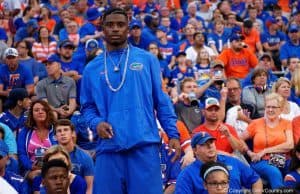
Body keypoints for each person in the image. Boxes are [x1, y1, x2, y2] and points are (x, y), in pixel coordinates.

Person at [80, 8, 181, 194]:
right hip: (109, 149)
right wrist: (97, 123)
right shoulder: (91, 68)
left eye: (120, 24)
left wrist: (173, 134)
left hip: (144, 146)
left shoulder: (147, 59)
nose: (115, 29)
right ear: (102, 28)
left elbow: (161, 100)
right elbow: (87, 107)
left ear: (128, 28)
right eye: (110, 25)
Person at [175, 132, 262, 194]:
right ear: (194, 150)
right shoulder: (187, 174)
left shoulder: (232, 161)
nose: (210, 146)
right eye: (203, 144)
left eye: (211, 142)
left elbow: (255, 179)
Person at [240, 93, 294, 189]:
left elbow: (290, 145)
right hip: (261, 161)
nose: (270, 110)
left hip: (282, 159)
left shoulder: (287, 123)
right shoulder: (256, 123)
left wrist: (265, 150)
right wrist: (249, 152)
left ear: (281, 109)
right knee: (274, 172)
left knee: (294, 172)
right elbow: (239, 139)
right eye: (268, 107)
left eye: (274, 107)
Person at [17, 100, 57, 180]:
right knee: (37, 177)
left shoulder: (56, 130)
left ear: (47, 112)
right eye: (36, 110)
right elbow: (22, 154)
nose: (40, 112)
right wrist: (31, 166)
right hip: (30, 169)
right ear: (31, 114)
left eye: (43, 109)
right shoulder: (25, 132)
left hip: (53, 168)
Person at [54, 119, 94, 194]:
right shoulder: (51, 156)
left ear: (73, 133)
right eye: (59, 131)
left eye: (66, 130)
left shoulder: (85, 157)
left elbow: (89, 187)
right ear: (55, 137)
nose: (62, 133)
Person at [35, 54, 77, 119]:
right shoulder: (40, 84)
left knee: (77, 116)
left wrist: (69, 111)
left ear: (59, 65)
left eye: (50, 63)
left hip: (67, 111)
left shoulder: (70, 81)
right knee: (54, 114)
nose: (47, 66)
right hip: (50, 112)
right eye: (46, 64)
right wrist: (58, 110)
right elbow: (44, 104)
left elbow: (72, 101)